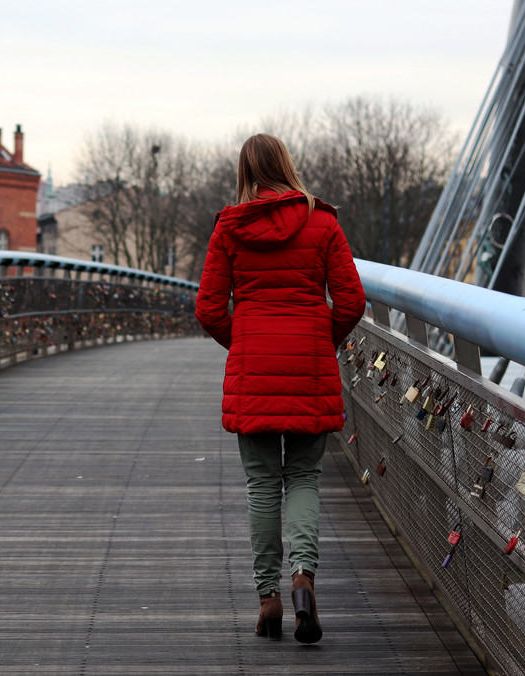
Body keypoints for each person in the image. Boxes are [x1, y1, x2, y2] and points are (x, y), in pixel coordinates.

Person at [194, 133, 365, 644]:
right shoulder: (323, 223)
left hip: (255, 370)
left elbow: (207, 308)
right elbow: (352, 301)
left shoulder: (230, 227)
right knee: (305, 479)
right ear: (288, 166)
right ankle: (303, 580)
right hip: (309, 367)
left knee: (263, 485)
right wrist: (319, 340)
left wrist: (243, 341)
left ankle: (267, 598)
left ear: (245, 172)